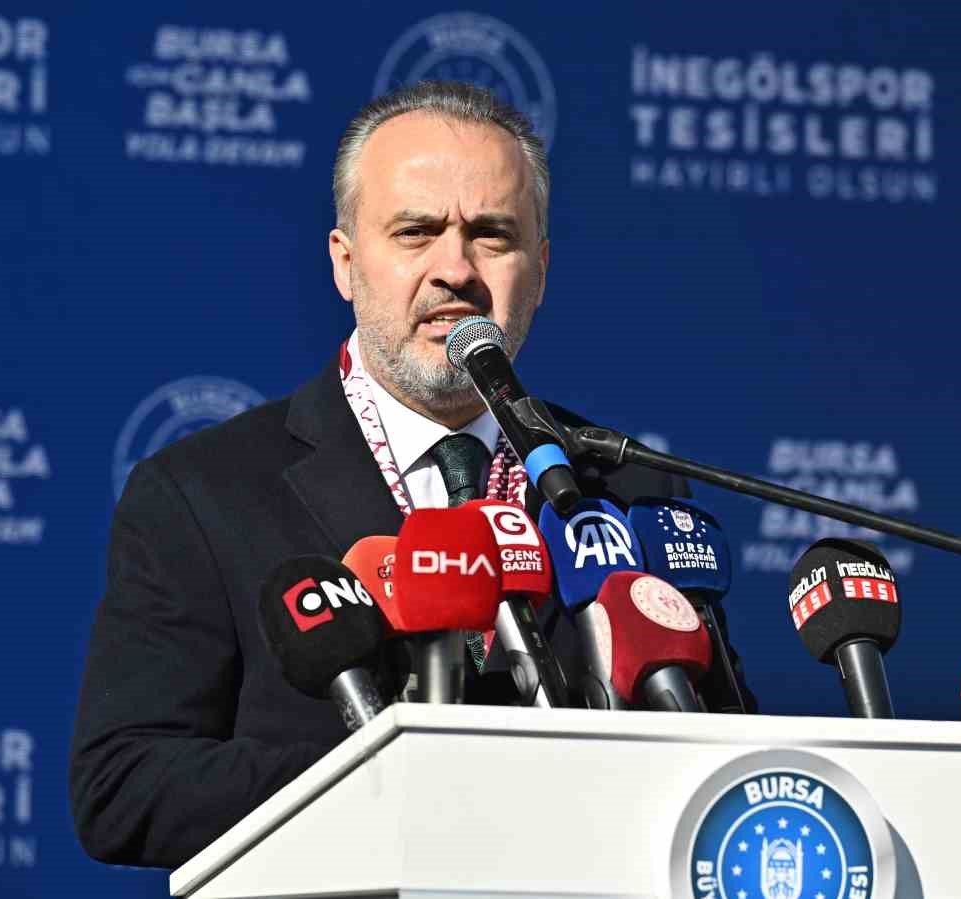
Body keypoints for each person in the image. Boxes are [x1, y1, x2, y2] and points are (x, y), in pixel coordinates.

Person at [68, 81, 744, 870]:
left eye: (492, 235)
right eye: (415, 232)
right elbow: (123, 784)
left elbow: (718, 754)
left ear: (541, 270)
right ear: (345, 263)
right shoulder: (202, 492)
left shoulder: (626, 489)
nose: (454, 269)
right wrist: (404, 776)